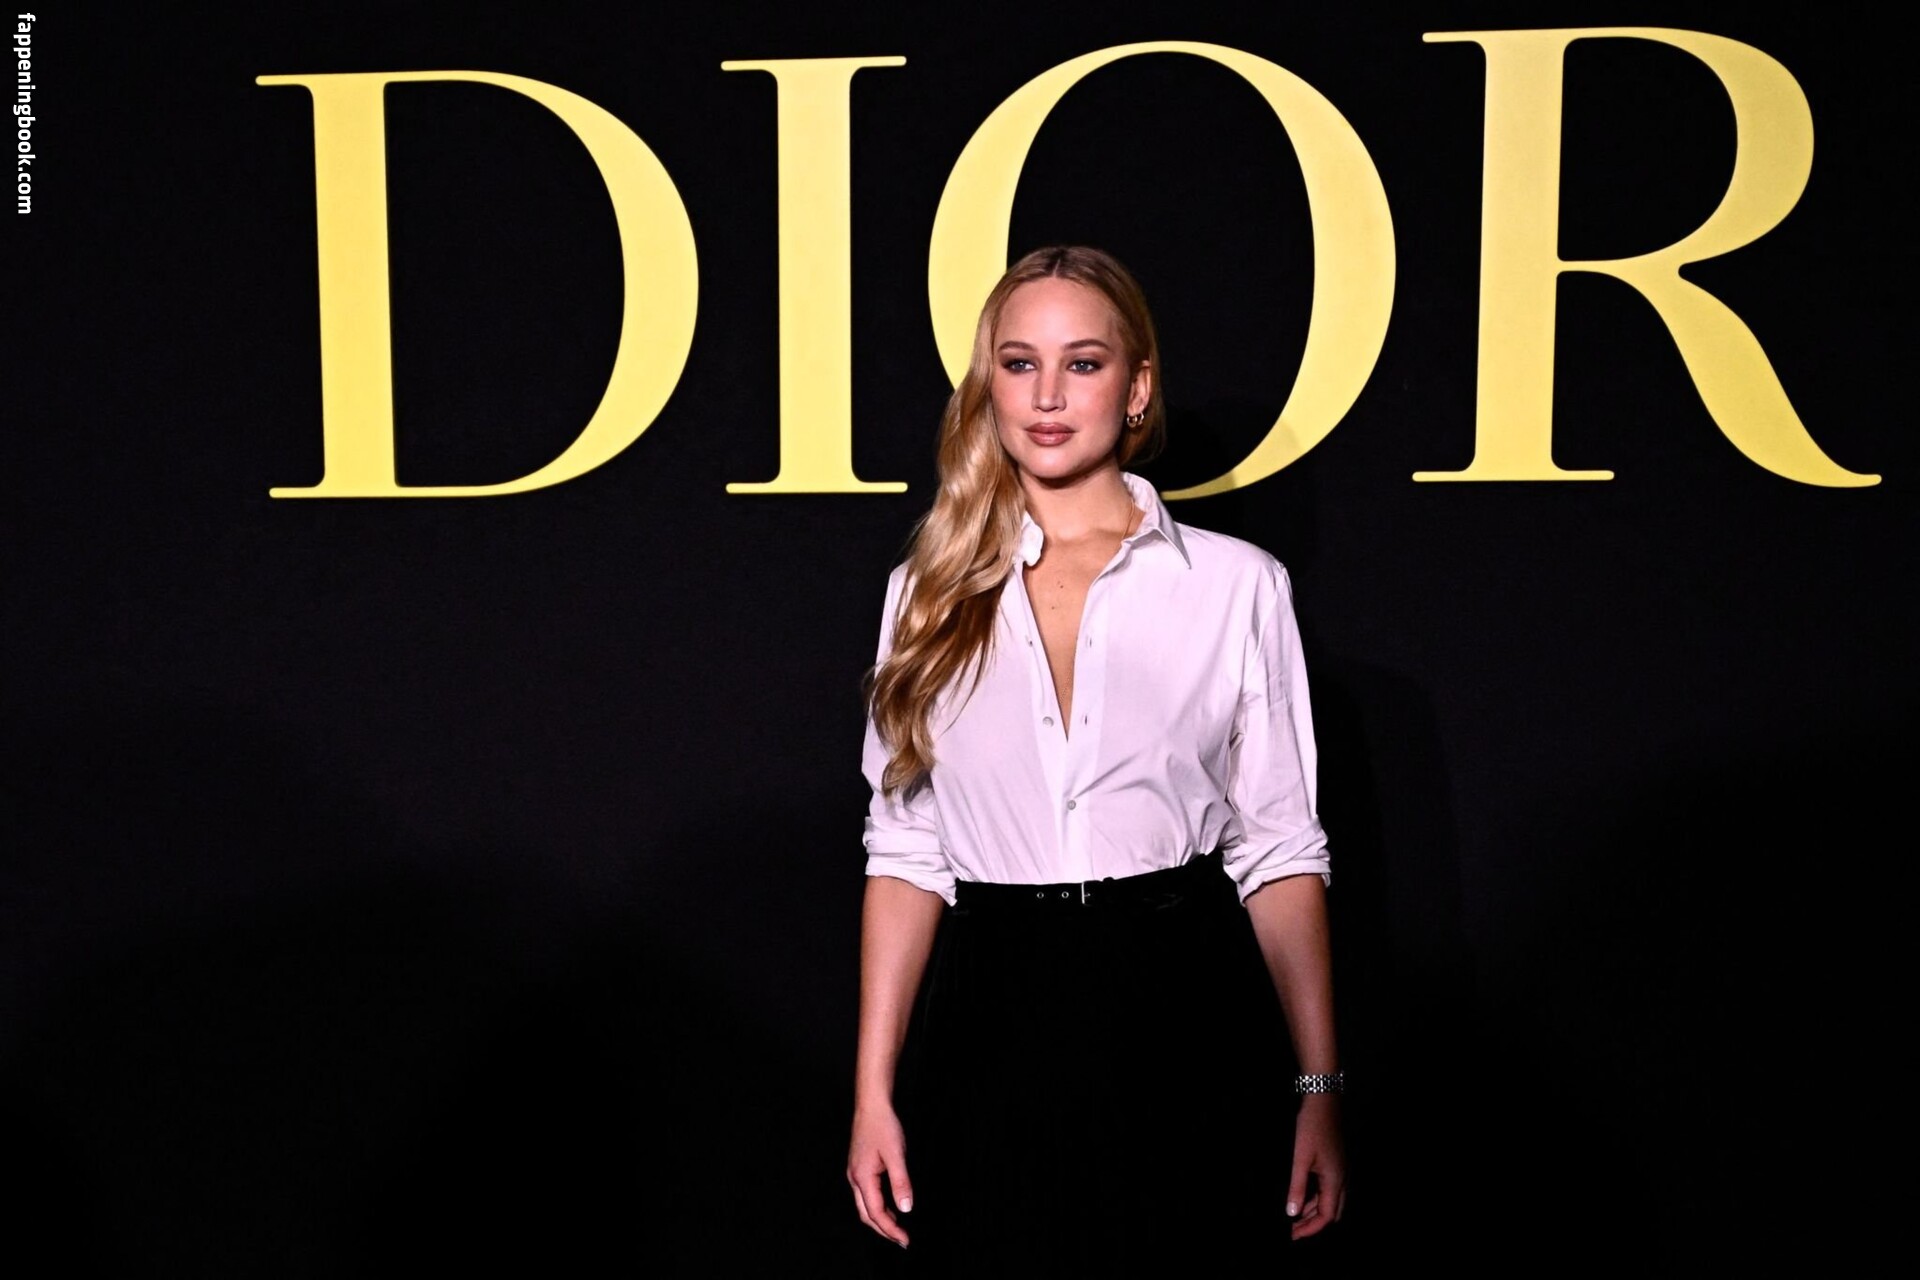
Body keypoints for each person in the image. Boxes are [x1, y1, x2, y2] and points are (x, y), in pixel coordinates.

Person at [846, 245, 1345, 1274]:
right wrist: (871, 1092)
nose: (1047, 396)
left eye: (1082, 363)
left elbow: (1280, 850)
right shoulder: (927, 594)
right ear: (988, 383)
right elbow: (905, 853)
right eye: (1019, 363)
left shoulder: (1236, 587)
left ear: (1138, 386)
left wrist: (1319, 1088)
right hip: (989, 1018)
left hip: (1184, 1009)